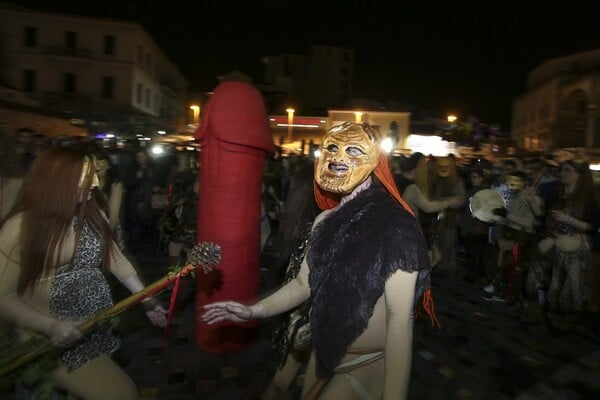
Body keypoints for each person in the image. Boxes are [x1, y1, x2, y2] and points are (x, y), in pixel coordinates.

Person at [202, 121, 435, 399]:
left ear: (374, 160)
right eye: (332, 148)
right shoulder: (324, 220)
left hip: (369, 364)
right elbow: (303, 284)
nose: (338, 157)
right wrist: (255, 311)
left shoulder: (395, 225)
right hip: (326, 356)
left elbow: (400, 319)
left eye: (352, 150)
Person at [0, 147, 167, 399]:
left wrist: (145, 297)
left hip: (89, 326)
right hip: (46, 338)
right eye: (87, 178)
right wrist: (52, 326)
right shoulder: (19, 228)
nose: (96, 185)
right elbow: (3, 296)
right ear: (58, 181)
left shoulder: (91, 211)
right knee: (121, 393)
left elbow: (114, 257)